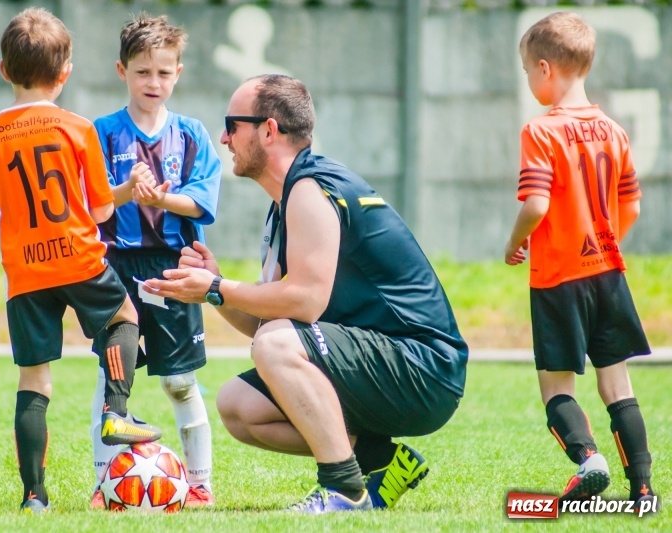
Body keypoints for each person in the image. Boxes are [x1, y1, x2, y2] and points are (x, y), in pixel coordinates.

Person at [145, 74, 468, 513]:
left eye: (231, 125)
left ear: (268, 130)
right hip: (390, 363)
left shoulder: (310, 189)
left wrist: (219, 286)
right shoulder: (286, 201)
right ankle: (380, 460)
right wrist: (213, 293)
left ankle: (343, 489)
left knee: (276, 343)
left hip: (425, 367)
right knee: (238, 405)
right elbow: (268, 317)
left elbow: (303, 303)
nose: (223, 137)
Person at [0, 7, 161, 514]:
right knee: (125, 316)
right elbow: (100, 209)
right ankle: (115, 411)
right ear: (65, 74)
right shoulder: (78, 129)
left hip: (25, 272)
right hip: (78, 258)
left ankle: (34, 496)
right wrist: (126, 191)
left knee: (35, 377)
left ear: (4, 70)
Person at [504, 12, 655, 505]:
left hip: (558, 277)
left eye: (528, 71)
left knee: (556, 386)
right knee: (617, 383)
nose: (529, 81)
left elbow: (537, 204)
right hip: (608, 272)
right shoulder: (614, 130)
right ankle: (644, 489)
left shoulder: (540, 131)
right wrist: (605, 239)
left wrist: (514, 242)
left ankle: (589, 460)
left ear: (546, 68)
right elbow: (631, 205)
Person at [87, 14, 221, 509]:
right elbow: (94, 203)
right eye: (143, 72)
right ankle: (104, 486)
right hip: (114, 268)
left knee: (179, 380)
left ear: (178, 73)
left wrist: (163, 200)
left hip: (173, 267)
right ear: (122, 71)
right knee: (110, 377)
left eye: (164, 73)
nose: (154, 82)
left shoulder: (191, 135)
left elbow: (203, 201)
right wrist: (127, 191)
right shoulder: (100, 134)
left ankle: (200, 483)